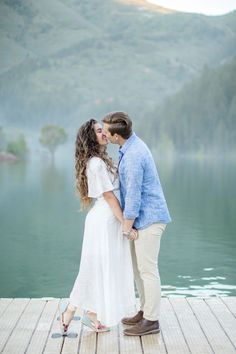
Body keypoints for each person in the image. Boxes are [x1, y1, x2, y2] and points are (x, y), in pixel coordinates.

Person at [59, 118, 136, 335]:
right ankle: (72, 310)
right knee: (94, 267)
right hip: (105, 220)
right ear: (90, 137)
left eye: (103, 130)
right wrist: (126, 224)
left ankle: (90, 315)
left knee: (97, 267)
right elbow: (109, 196)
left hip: (105, 218)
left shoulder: (101, 160)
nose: (104, 133)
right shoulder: (96, 163)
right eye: (98, 131)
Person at [102, 112, 171, 336]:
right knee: (139, 270)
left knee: (148, 270)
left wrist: (126, 226)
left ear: (115, 136)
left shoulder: (133, 155)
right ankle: (144, 310)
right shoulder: (130, 146)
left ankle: (152, 321)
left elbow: (133, 196)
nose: (103, 132)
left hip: (149, 219)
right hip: (142, 219)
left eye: (105, 130)